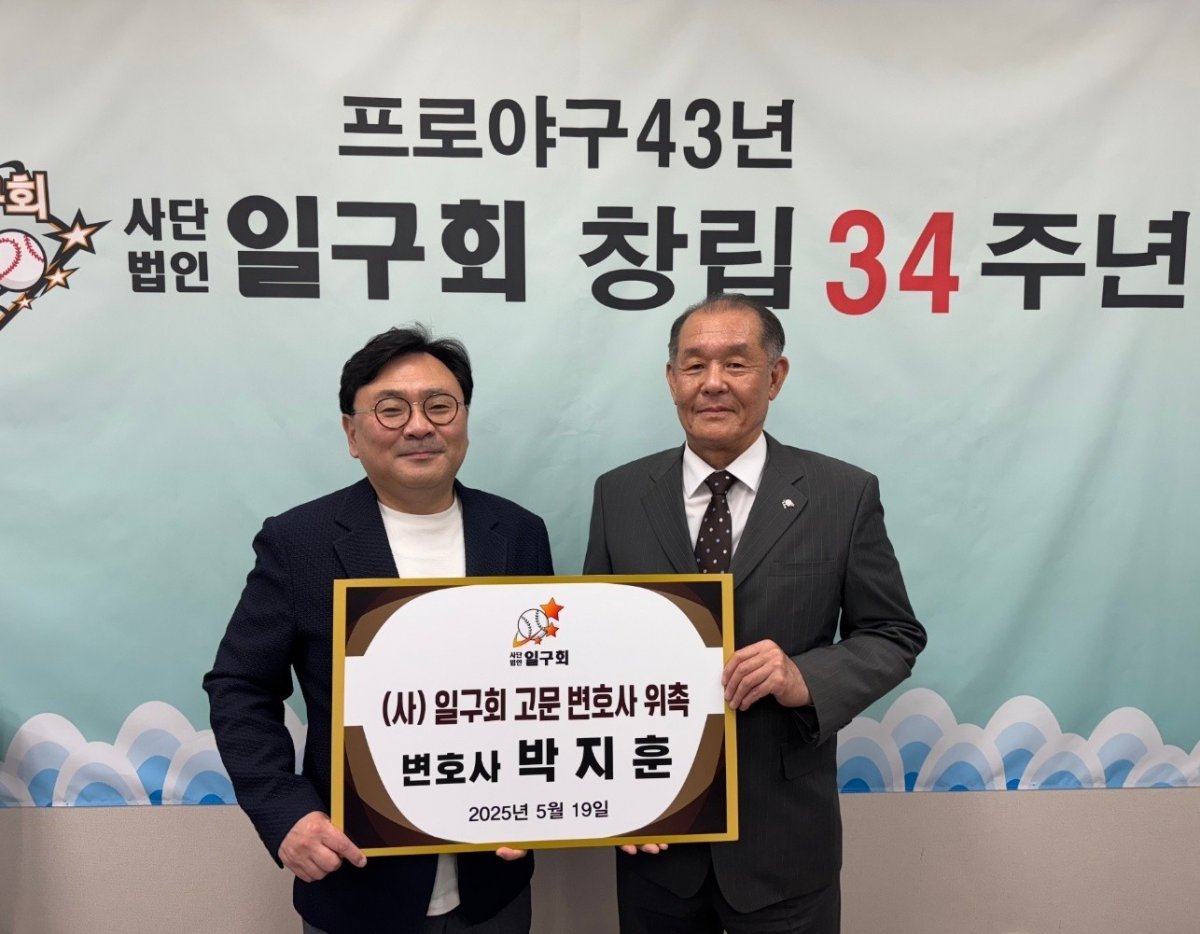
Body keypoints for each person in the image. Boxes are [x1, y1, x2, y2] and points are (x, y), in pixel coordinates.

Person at [583, 294, 926, 934]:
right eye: (694, 365)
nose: (713, 383)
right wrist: (613, 800)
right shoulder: (620, 494)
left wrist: (805, 677)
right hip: (656, 836)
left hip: (784, 844)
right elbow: (594, 649)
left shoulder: (842, 493)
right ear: (671, 379)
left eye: (736, 363)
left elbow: (893, 634)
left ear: (775, 376)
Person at [204, 325, 552, 934]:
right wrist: (286, 813)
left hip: (492, 888)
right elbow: (240, 686)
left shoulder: (518, 532)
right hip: (357, 884)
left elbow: (547, 685)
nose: (419, 426)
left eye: (440, 406)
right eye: (391, 410)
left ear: (464, 420)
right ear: (351, 433)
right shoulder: (299, 541)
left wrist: (550, 804)